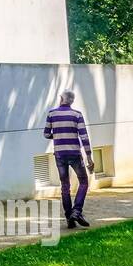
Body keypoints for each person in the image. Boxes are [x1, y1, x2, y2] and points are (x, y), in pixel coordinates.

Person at [44, 89, 93, 229]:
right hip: (75, 154)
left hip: (59, 154)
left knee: (65, 186)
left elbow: (46, 134)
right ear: (72, 101)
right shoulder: (77, 115)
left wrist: (58, 136)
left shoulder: (51, 114)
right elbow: (84, 137)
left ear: (61, 98)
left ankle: (69, 218)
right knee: (83, 181)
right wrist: (89, 156)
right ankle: (77, 212)